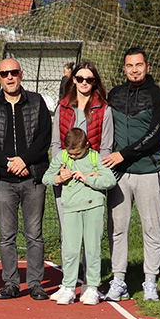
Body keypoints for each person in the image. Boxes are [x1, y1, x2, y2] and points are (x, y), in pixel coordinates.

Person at [0, 58, 52, 301]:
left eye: (13, 72)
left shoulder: (37, 101)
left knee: (34, 234)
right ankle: (10, 283)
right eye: (4, 73)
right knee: (6, 235)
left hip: (33, 178)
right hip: (4, 180)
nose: (9, 77)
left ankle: (35, 283)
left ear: (21, 75)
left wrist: (25, 160)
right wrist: (8, 162)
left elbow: (44, 137)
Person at [103, 47, 160, 301]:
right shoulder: (115, 94)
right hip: (119, 175)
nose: (134, 70)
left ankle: (150, 281)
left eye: (138, 65)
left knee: (152, 228)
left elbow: (154, 136)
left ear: (147, 66)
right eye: (129, 66)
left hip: (148, 172)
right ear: (124, 69)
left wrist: (124, 154)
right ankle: (119, 281)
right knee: (118, 228)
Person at [43, 128, 116, 305]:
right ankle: (68, 286)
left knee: (92, 248)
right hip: (70, 207)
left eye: (77, 153)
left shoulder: (95, 157)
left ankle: (91, 287)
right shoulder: (62, 157)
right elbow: (46, 178)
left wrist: (87, 179)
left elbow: (110, 181)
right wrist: (60, 178)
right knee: (70, 249)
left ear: (87, 145)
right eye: (71, 154)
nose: (74, 157)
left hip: (94, 206)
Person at [52, 61, 112, 225]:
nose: (84, 82)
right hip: (67, 176)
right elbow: (56, 143)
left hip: (91, 177)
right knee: (68, 232)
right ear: (73, 80)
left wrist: (98, 172)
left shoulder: (104, 109)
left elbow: (106, 145)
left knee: (90, 233)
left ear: (95, 82)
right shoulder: (62, 107)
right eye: (80, 78)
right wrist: (60, 168)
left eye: (89, 79)